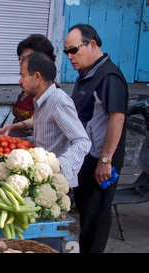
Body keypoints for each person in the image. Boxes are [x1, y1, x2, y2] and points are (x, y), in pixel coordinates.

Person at [65, 24, 129, 253]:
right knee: (86, 213)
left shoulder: (109, 76)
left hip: (100, 161)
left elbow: (117, 118)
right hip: (86, 158)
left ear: (92, 45)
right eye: (66, 52)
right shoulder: (86, 75)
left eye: (73, 50)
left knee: (96, 218)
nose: (70, 57)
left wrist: (106, 159)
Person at [0, 52, 91, 189]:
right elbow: (42, 123)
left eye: (23, 76)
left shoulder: (58, 100)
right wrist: (14, 127)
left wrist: (59, 166)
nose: (20, 81)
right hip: (42, 177)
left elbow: (82, 141)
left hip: (55, 181)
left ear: (37, 76)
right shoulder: (42, 100)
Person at [6, 34, 58, 138]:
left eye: (27, 58)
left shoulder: (51, 93)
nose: (22, 62)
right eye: (21, 58)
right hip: (15, 140)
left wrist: (14, 127)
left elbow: (38, 119)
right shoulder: (28, 84)